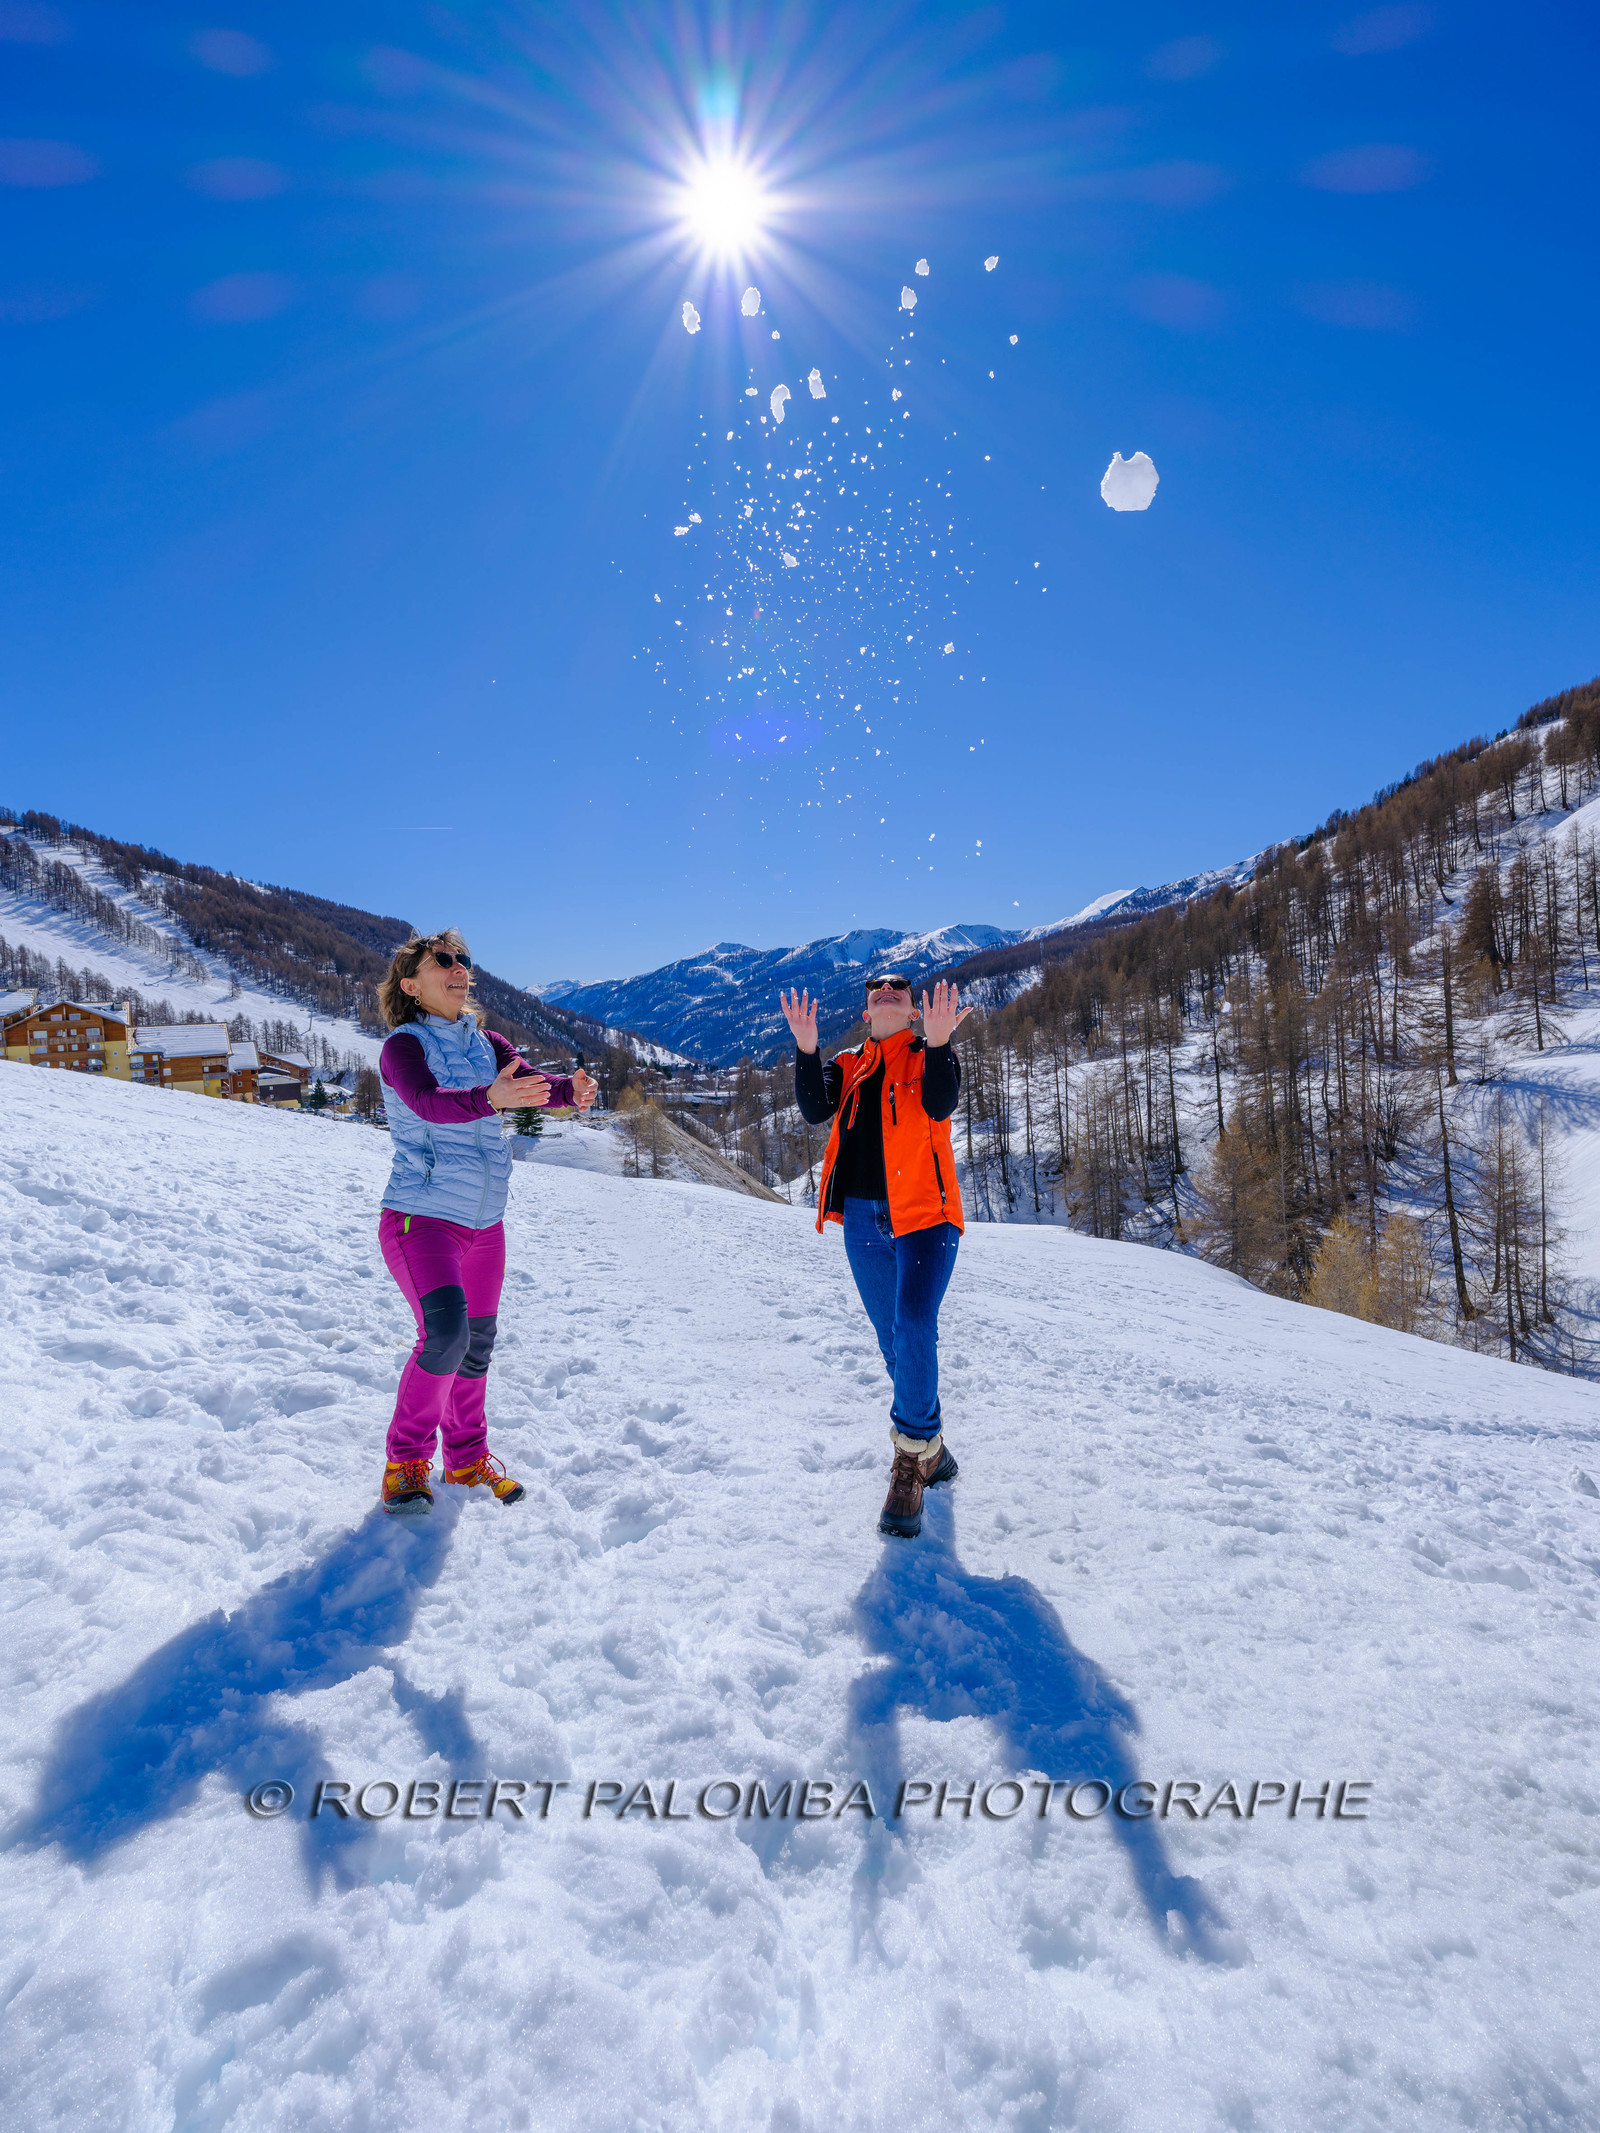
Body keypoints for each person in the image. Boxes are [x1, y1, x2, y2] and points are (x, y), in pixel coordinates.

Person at [375, 929, 597, 1516]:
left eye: (464, 961)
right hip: (421, 1218)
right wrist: (490, 1099)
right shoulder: (402, 1047)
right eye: (443, 960)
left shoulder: (487, 1043)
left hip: (485, 1224)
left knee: (475, 1347)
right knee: (445, 1338)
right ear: (411, 985)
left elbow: (532, 1087)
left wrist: (569, 1092)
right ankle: (405, 1464)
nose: (459, 968)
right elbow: (427, 1103)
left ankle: (467, 1460)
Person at [781, 973, 972, 1539]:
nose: (886, 989)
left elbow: (940, 1103)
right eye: (875, 990)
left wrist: (940, 1042)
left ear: (913, 1011)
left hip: (927, 1215)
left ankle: (909, 1464)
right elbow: (815, 1109)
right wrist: (806, 1048)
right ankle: (932, 1448)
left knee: (913, 1323)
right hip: (864, 1221)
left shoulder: (930, 1054)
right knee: (895, 1341)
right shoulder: (849, 1064)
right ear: (866, 1012)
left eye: (899, 989)